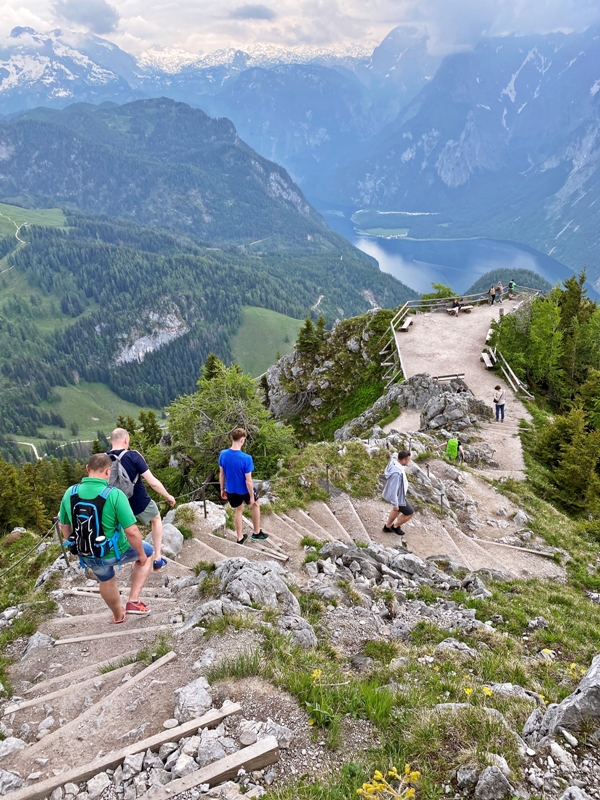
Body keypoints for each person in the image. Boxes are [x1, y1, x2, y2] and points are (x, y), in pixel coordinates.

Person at [59, 453, 154, 622]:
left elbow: (64, 526)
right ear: (108, 471)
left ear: (87, 469)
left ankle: (118, 615)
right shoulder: (114, 494)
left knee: (106, 580)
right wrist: (140, 554)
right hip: (115, 551)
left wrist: (75, 546)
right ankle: (133, 600)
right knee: (148, 552)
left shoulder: (70, 493)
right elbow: (132, 531)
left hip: (88, 554)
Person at [107, 428, 176, 572]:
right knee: (156, 519)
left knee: (127, 528)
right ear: (126, 440)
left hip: (115, 504)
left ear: (111, 441)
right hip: (138, 501)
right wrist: (167, 496)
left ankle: (132, 557)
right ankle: (157, 558)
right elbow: (153, 483)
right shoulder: (133, 456)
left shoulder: (103, 459)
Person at [219, 428, 268, 545]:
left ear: (232, 438)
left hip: (230, 489)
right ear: (242, 440)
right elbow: (249, 481)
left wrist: (222, 489)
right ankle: (256, 533)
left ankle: (240, 537)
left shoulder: (223, 454)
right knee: (256, 504)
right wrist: (252, 497)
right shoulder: (246, 458)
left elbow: (221, 473)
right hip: (244, 490)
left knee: (238, 509)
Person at [382, 450, 414, 545]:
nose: (409, 462)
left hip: (399, 495)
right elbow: (393, 490)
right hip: (399, 497)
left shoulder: (393, 462)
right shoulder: (397, 474)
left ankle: (387, 527)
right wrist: (396, 504)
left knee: (398, 510)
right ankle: (395, 527)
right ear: (403, 460)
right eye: (408, 460)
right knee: (410, 513)